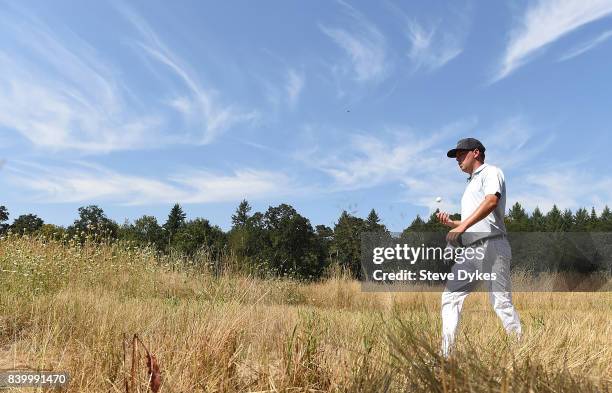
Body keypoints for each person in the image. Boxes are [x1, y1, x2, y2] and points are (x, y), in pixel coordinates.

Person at [436, 137, 522, 357]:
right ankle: (446, 356)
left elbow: (492, 201)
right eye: (456, 156)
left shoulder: (491, 172)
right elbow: (476, 220)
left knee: (500, 302)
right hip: (475, 247)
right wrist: (453, 223)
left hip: (491, 243)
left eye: (461, 154)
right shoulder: (471, 184)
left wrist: (463, 225)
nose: (457, 159)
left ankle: (520, 350)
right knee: (451, 297)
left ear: (476, 152)